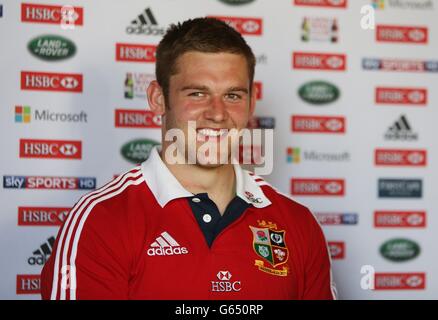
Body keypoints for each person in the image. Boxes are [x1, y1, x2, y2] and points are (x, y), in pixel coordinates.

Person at [41, 17, 336, 300]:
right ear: (158, 99)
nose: (217, 113)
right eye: (197, 93)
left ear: (251, 103)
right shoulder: (102, 220)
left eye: (233, 96)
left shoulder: (299, 224)